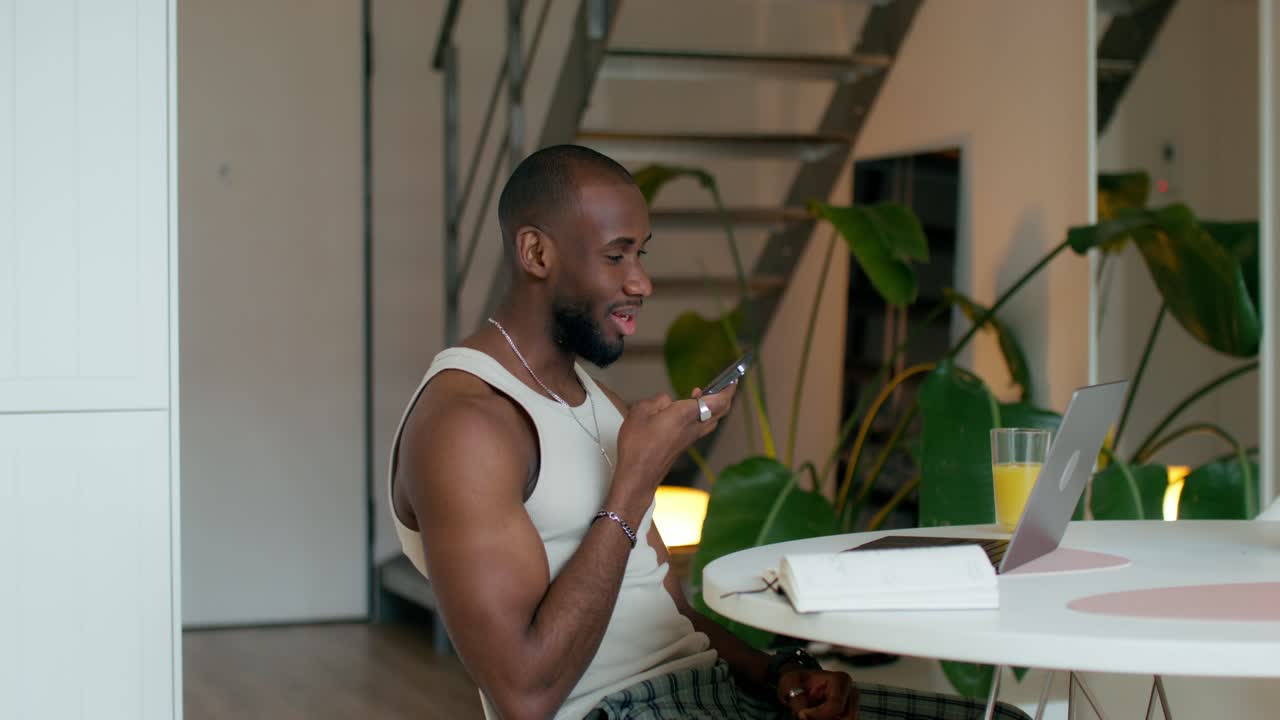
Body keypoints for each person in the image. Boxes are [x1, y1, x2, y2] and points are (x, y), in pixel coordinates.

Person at [388, 145, 1030, 720]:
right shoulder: (466, 426)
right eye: (615, 256)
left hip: (712, 691)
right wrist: (634, 482)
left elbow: (670, 613)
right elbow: (524, 696)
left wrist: (782, 673)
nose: (640, 282)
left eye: (640, 254)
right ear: (535, 253)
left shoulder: (596, 400)